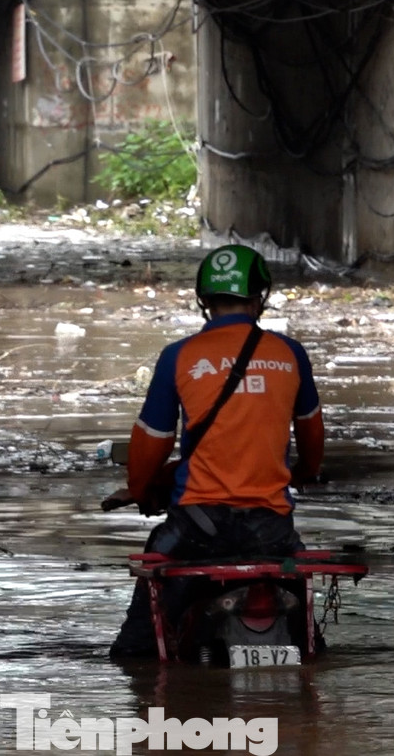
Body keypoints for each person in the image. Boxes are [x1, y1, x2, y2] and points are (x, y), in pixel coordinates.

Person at [106, 244, 325, 660]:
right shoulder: (290, 354)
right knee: (311, 642)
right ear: (261, 297)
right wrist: (300, 474)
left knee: (135, 650)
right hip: (271, 529)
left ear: (203, 300)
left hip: (196, 528)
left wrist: (140, 488)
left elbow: (151, 443)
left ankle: (141, 674)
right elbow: (313, 440)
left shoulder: (179, 357)